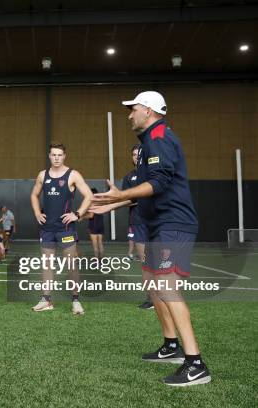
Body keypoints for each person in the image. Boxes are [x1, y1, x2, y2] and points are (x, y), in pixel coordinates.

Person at [91, 91, 211, 386]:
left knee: (167, 288)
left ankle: (195, 364)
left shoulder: (159, 137)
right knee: (156, 287)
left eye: (133, 109)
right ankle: (171, 346)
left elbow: (159, 183)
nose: (129, 114)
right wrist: (112, 204)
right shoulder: (148, 144)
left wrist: (121, 195)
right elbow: (146, 190)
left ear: (148, 110)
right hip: (159, 224)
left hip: (174, 223)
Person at [29, 142, 93, 315]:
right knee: (47, 264)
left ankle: (76, 300)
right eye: (53, 155)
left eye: (59, 155)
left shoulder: (73, 175)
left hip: (66, 229)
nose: (56, 158)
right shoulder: (43, 175)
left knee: (71, 265)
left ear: (64, 156)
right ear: (49, 156)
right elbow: (34, 195)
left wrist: (77, 214)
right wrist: (37, 213)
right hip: (47, 228)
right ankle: (46, 300)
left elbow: (89, 196)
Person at [122, 144, 152, 309]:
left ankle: (167, 296)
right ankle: (151, 299)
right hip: (138, 223)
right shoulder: (129, 177)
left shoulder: (153, 174)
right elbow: (125, 200)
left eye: (139, 154)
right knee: (146, 262)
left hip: (156, 223)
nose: (137, 157)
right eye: (134, 154)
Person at [87, 188, 104, 259]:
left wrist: (81, 216)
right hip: (101, 225)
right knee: (100, 243)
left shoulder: (92, 203)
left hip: (93, 225)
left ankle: (97, 260)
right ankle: (102, 260)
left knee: (95, 244)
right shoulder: (100, 202)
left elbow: (91, 215)